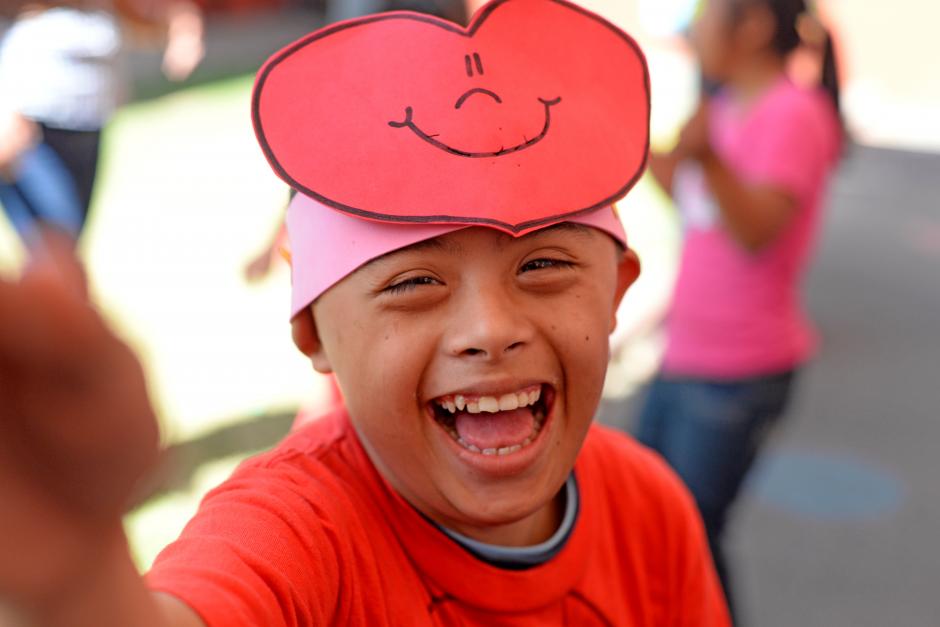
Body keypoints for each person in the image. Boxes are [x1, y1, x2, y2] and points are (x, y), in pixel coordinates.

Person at [0, 0, 731, 624]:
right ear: (313, 327)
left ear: (616, 290)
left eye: (542, 265)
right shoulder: (300, 533)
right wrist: (80, 581)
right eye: (415, 282)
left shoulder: (650, 510)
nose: (490, 329)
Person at [637, 0, 844, 621]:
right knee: (652, 525)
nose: (695, 30)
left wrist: (708, 157)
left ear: (751, 24)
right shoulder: (721, 106)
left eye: (706, 14)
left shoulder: (795, 113)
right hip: (684, 355)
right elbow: (687, 195)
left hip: (738, 370)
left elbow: (757, 231)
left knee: (692, 536)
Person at [0, 0, 204, 246]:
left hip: (88, 126)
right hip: (30, 126)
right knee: (58, 242)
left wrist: (183, 31)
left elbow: (152, 15)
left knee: (68, 242)